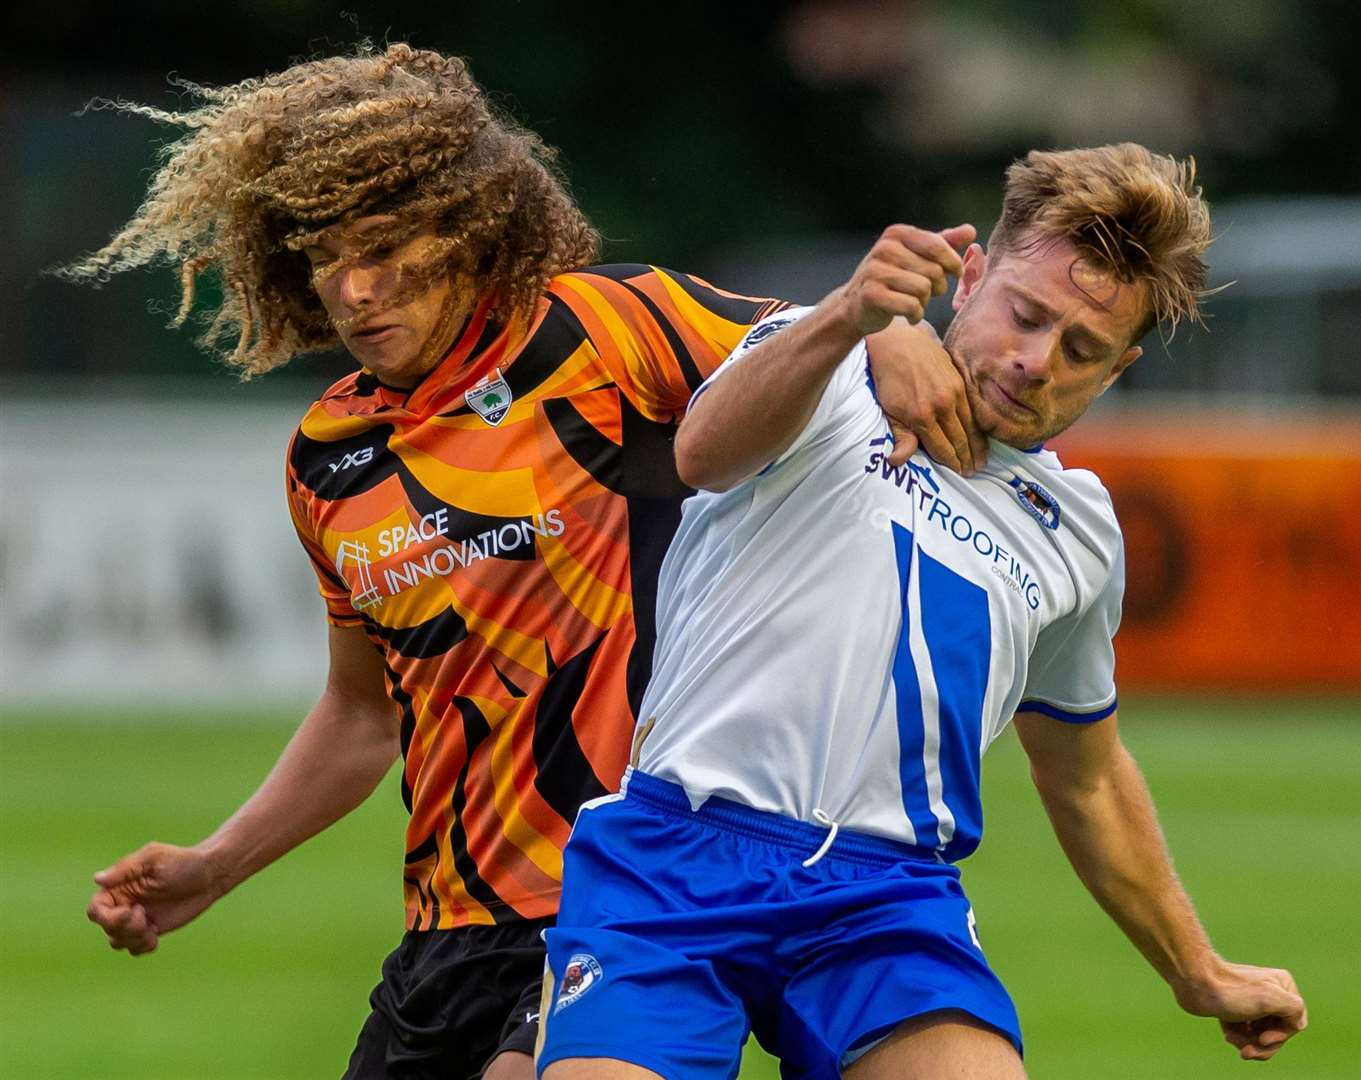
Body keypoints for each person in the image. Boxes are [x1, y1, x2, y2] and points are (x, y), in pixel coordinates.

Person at [65, 43, 981, 1080]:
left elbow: (807, 341)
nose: (355, 291)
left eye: (385, 246)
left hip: (617, 906)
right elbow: (364, 712)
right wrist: (213, 867)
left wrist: (888, 329)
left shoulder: (600, 328)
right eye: (323, 256)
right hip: (444, 933)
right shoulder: (328, 458)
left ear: (467, 226)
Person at [536, 144, 1308, 1080]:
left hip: (888, 899)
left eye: (1082, 351)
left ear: (1117, 373)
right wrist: (850, 325)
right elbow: (700, 453)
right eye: (1026, 316)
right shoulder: (826, 366)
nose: (1034, 362)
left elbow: (1088, 775)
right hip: (672, 858)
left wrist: (1199, 969)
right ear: (972, 272)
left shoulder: (1081, 530)